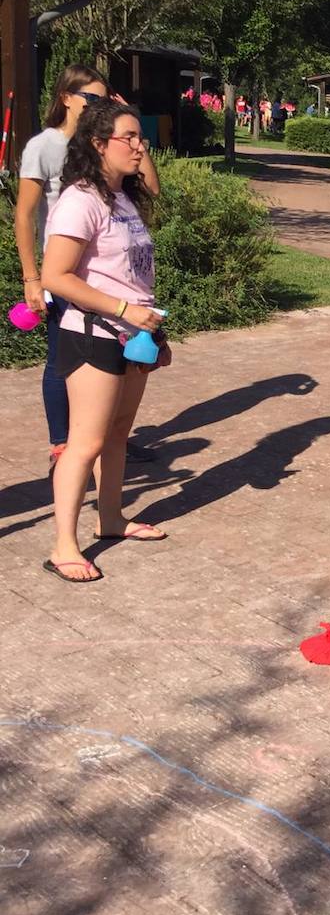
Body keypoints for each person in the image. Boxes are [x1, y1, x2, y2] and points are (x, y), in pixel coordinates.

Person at [40, 100, 168, 582]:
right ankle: (64, 545)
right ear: (99, 145)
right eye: (129, 138)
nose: (139, 147)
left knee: (117, 435)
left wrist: (150, 325)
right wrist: (121, 310)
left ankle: (111, 518)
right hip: (92, 334)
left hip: (133, 334)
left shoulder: (123, 197)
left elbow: (128, 274)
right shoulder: (81, 199)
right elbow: (57, 275)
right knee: (85, 442)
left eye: (141, 138)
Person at [15, 67, 161, 475]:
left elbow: (151, 188)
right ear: (65, 97)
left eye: (104, 99)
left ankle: (108, 440)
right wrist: (31, 277)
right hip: (66, 268)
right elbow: (24, 214)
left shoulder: (116, 145)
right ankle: (63, 445)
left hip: (104, 267)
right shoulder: (44, 146)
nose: (97, 105)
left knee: (112, 367)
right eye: (90, 99)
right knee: (62, 360)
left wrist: (127, 126)